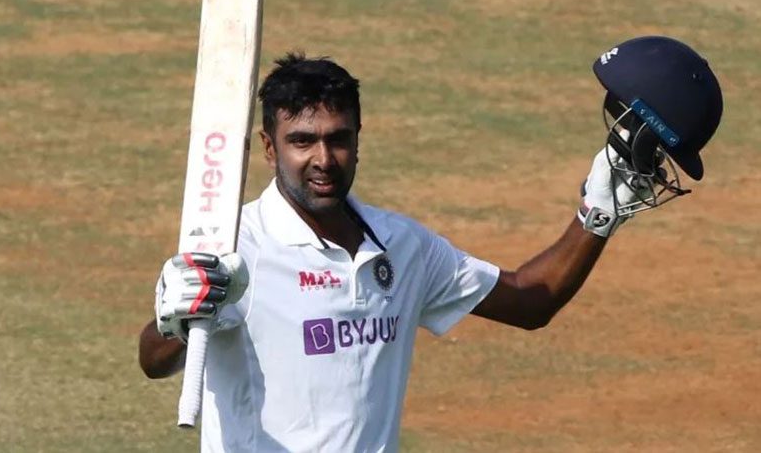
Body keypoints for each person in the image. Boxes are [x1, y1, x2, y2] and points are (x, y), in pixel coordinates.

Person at [139, 38, 722, 452]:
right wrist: (174, 320)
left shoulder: (401, 246)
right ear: (270, 147)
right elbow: (154, 361)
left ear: (359, 139)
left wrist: (596, 217)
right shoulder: (234, 248)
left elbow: (529, 300)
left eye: (339, 139)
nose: (323, 159)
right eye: (302, 141)